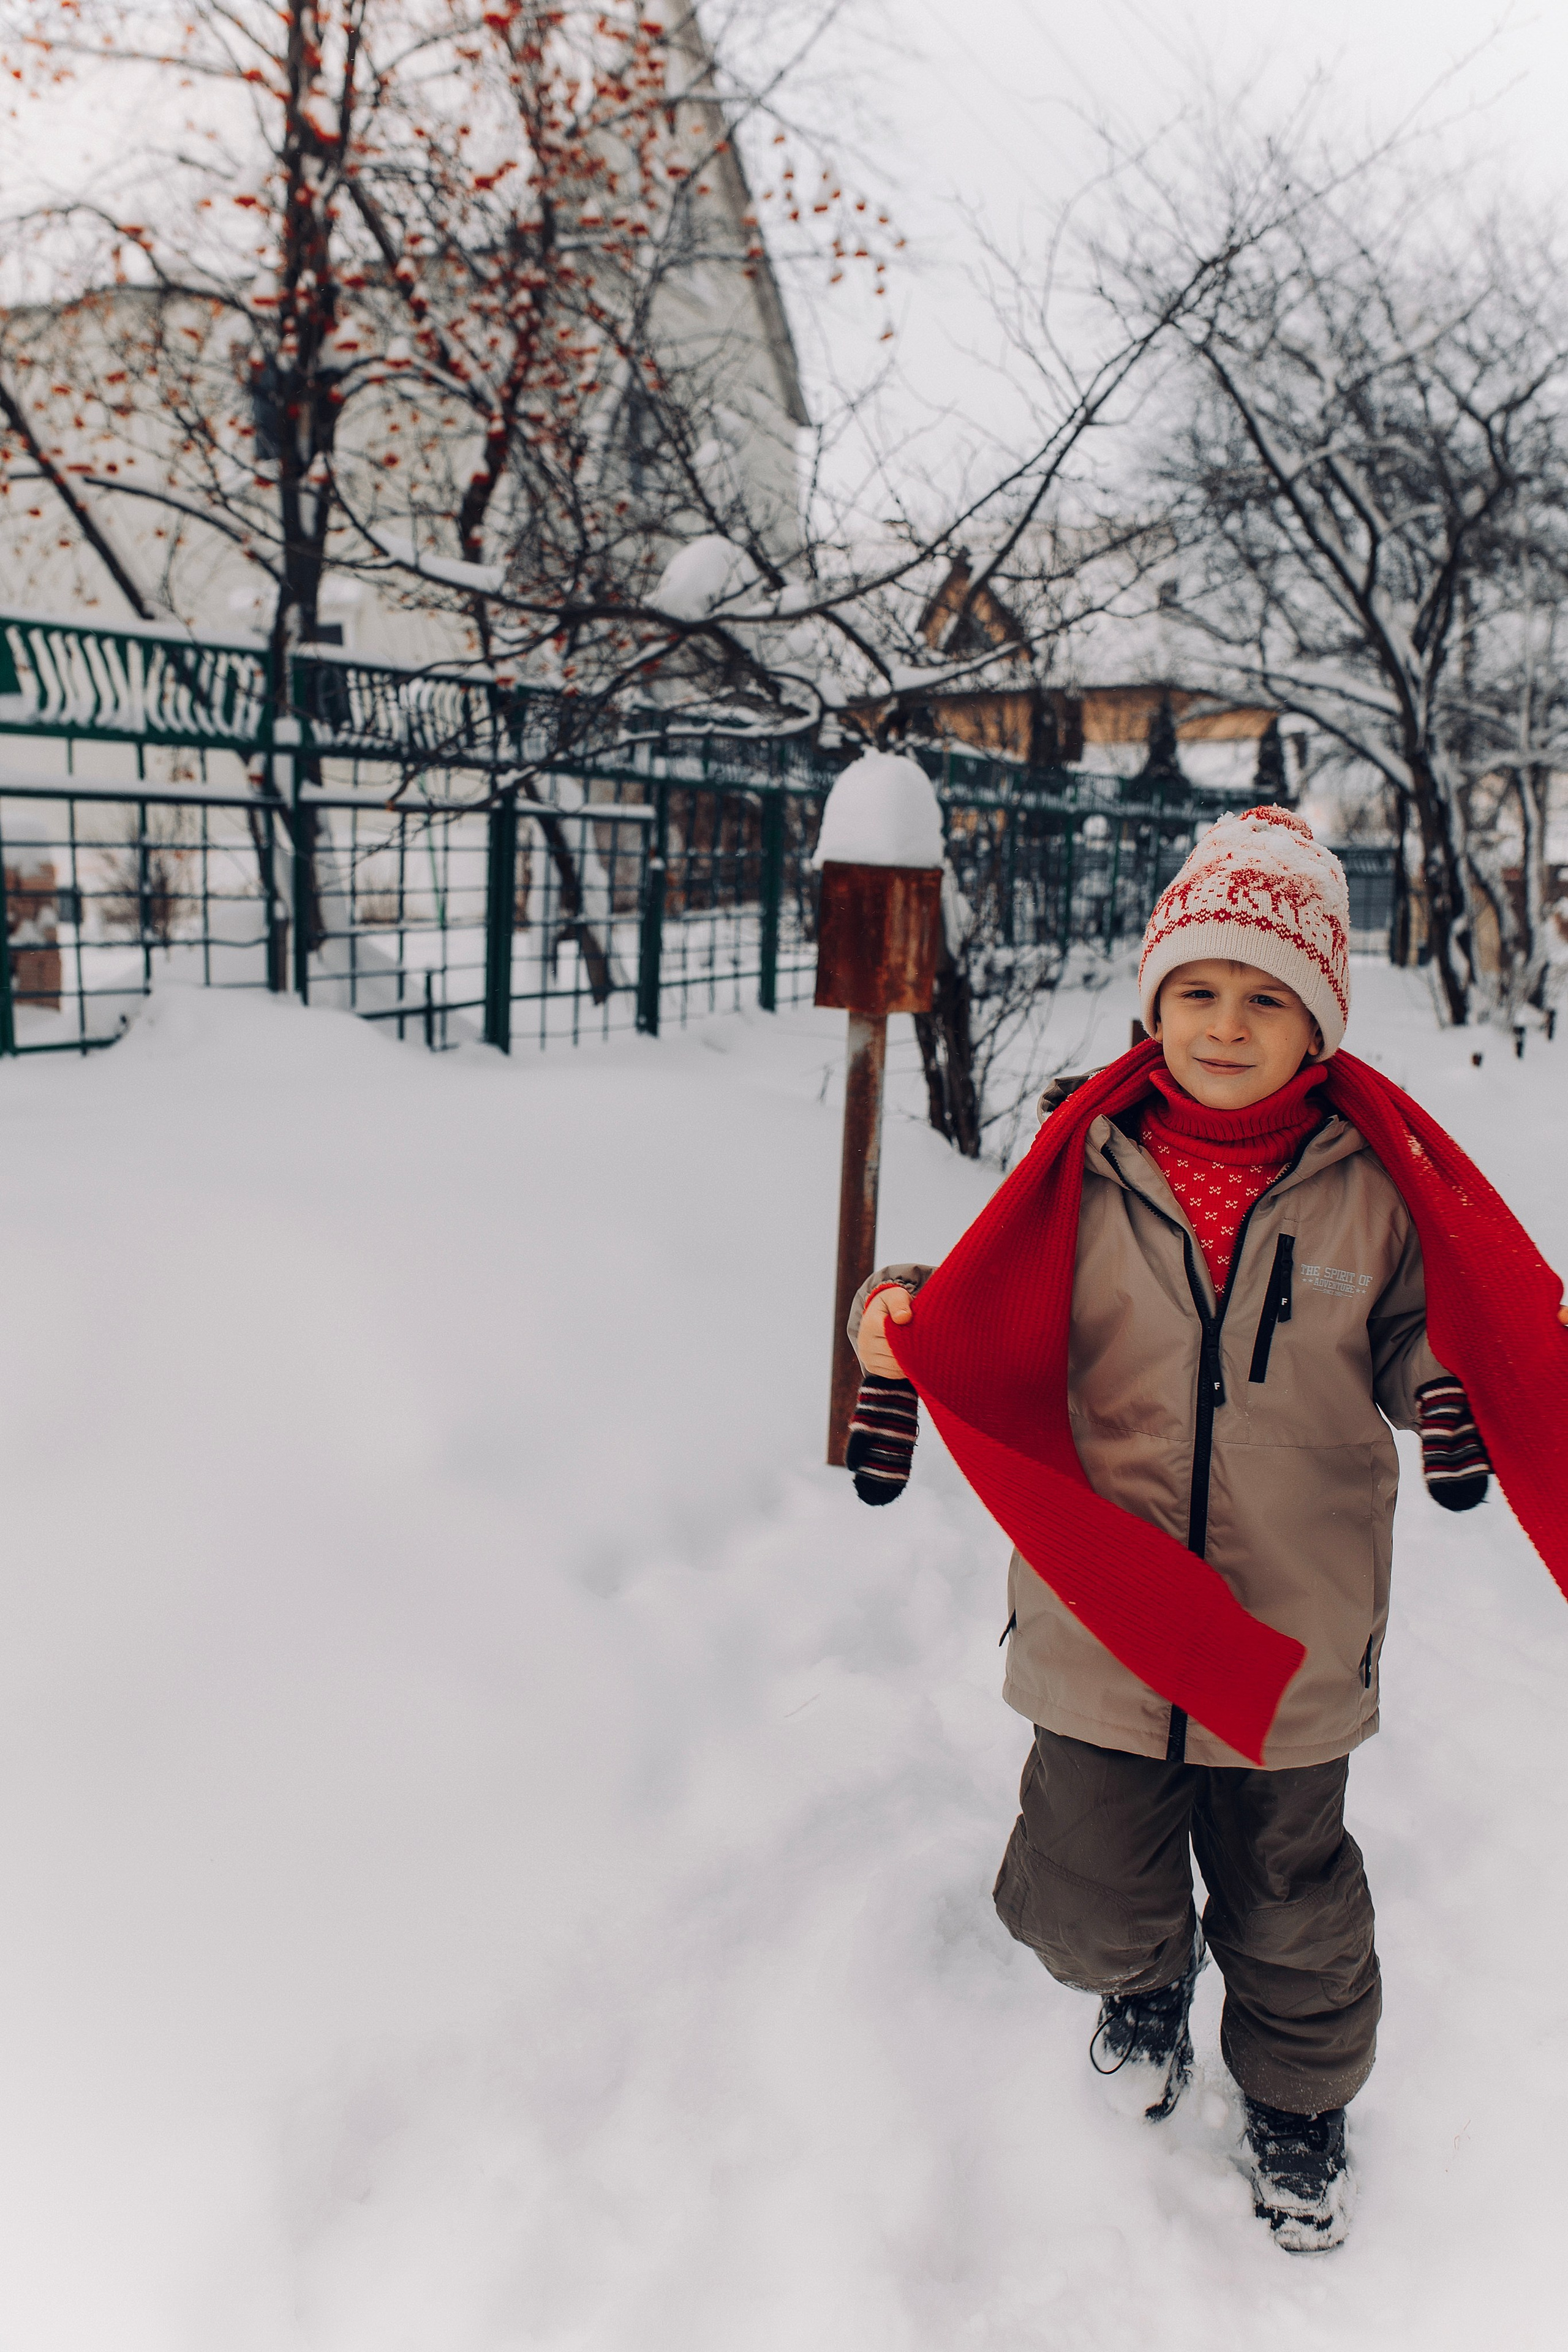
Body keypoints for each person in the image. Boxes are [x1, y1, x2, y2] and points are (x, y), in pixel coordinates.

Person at [844, 807, 1568, 2255]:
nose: (1224, 1025)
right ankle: (1142, 1978)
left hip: (1291, 1623)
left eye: (1263, 999)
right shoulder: (1081, 1161)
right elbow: (991, 1298)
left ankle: (1297, 2104)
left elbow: (1422, 1336)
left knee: (1289, 1901)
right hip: (1104, 1618)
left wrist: (1445, 1389)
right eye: (1196, 991)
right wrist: (904, 1317)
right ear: (1153, 1004)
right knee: (1085, 1882)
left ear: (1317, 1028)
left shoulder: (1368, 1185)